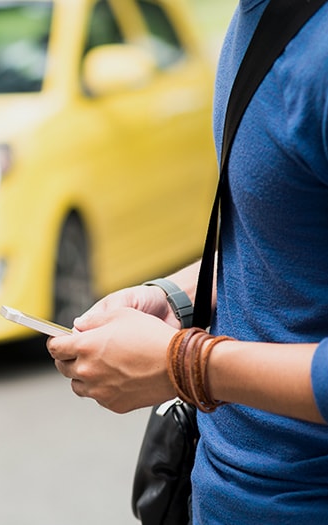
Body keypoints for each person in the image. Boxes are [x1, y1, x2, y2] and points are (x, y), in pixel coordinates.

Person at [45, 1, 328, 523]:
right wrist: (180, 294)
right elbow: (284, 247)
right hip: (220, 494)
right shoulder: (255, 17)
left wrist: (183, 363)